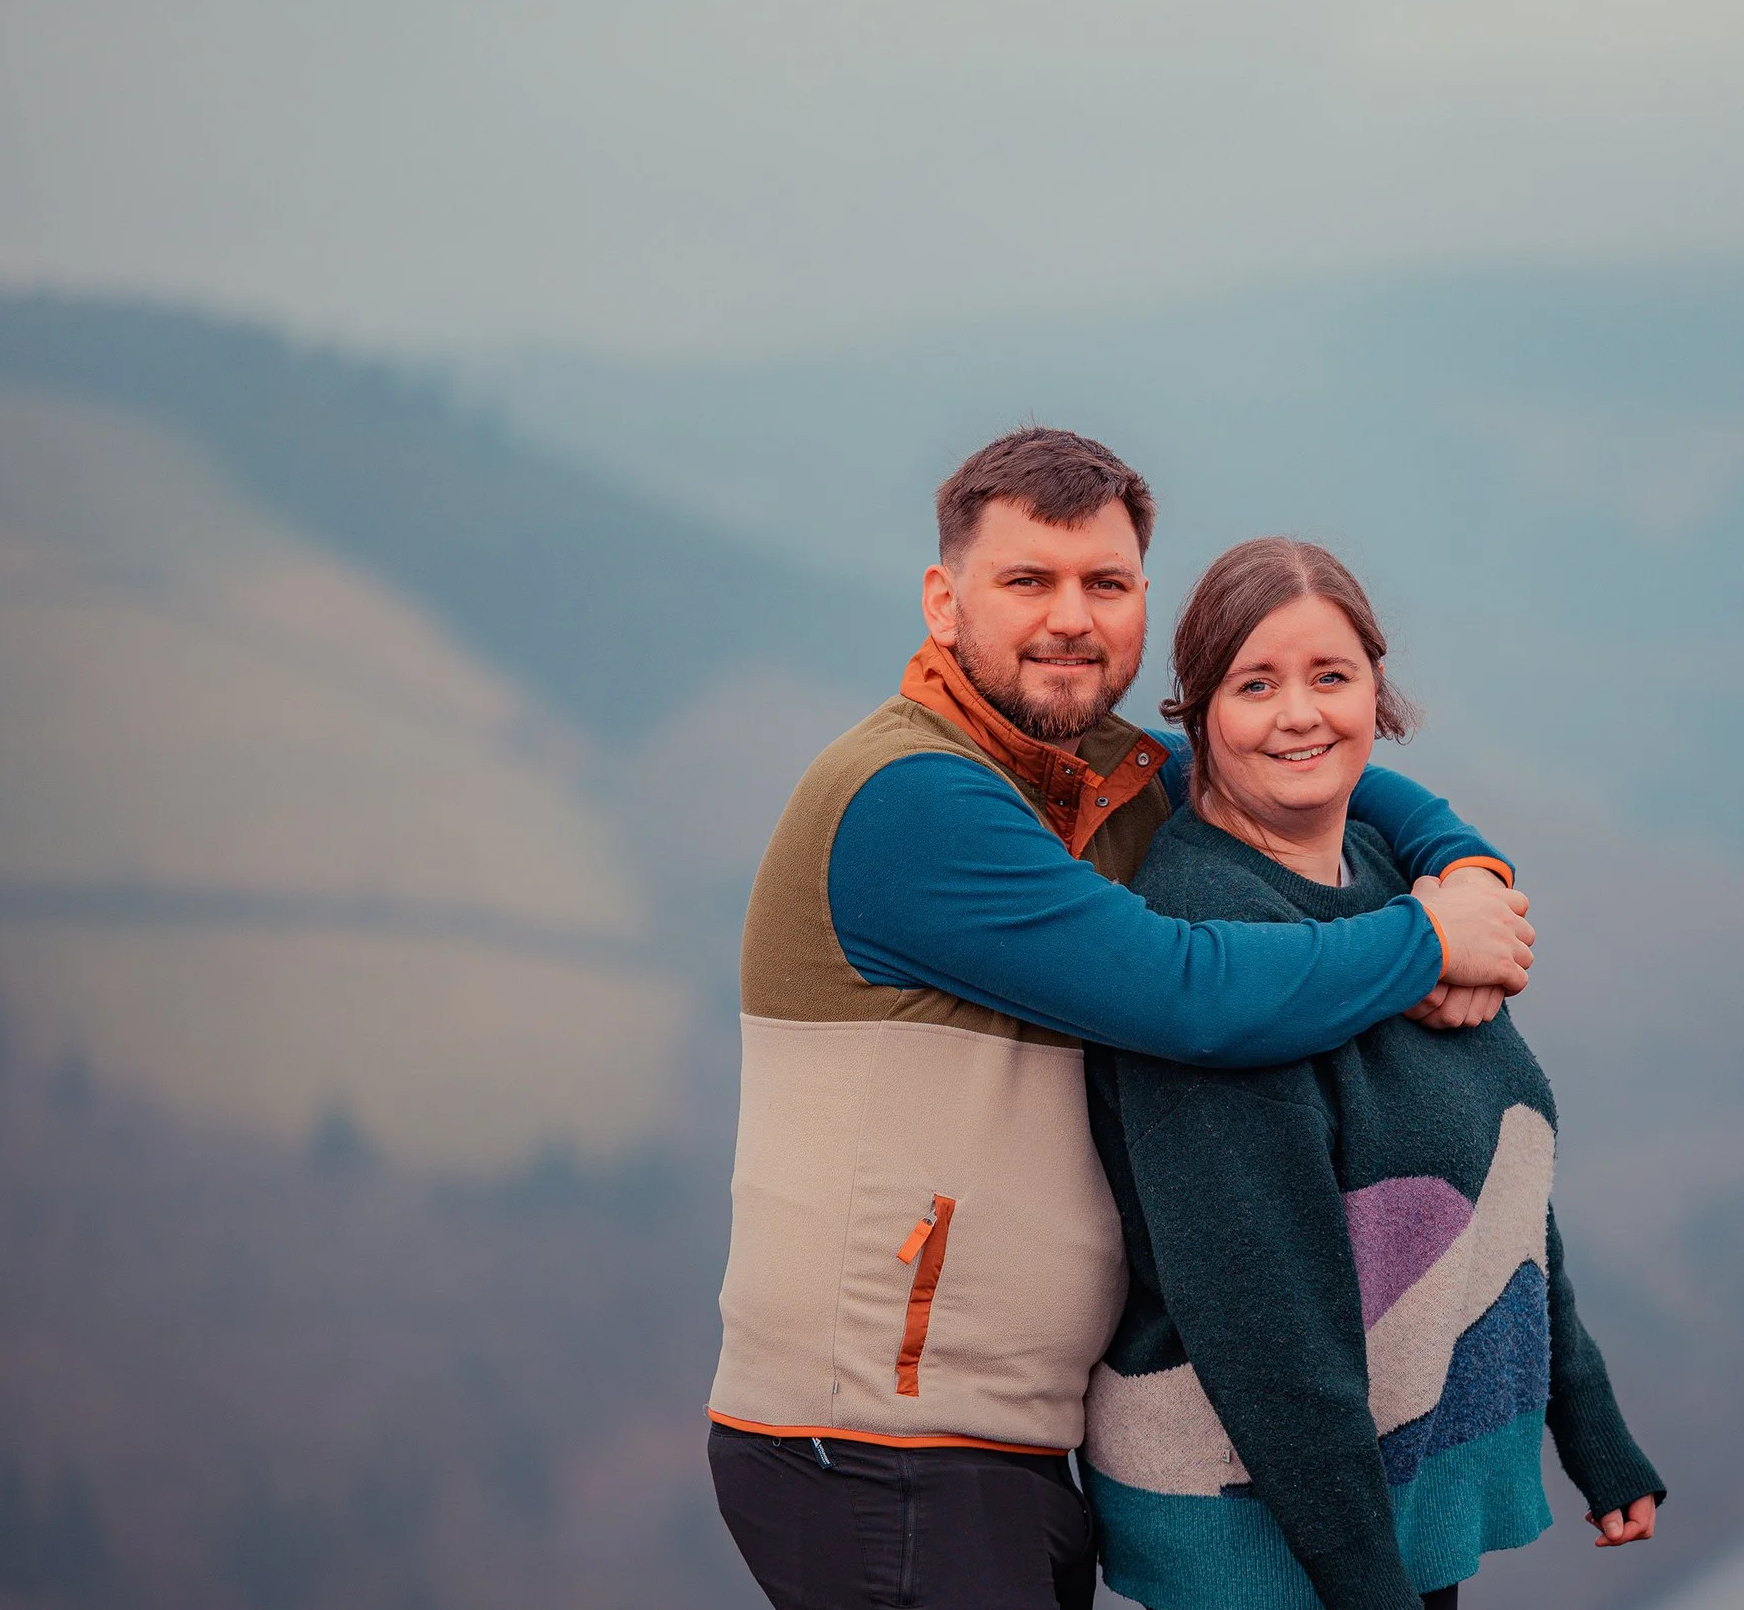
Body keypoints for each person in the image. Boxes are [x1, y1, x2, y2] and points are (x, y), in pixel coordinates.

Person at [704, 430, 1540, 1609]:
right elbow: (1187, 991)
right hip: (874, 1440)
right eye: (1027, 581)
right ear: (944, 602)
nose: (1070, 617)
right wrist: (1427, 941)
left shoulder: (1090, 771)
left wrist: (1467, 867)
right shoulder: (911, 798)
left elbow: (1301, 762)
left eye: (1104, 583)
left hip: (1010, 1439)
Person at [1081, 538, 1663, 1610]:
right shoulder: (1216, 949)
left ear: (1375, 691)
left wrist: (1589, 1420)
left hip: (1381, 1492)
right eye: (1256, 684)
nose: (1300, 714)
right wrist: (1364, 1586)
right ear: (1198, 711)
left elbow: (1499, 1171)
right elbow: (1267, 1327)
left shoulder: (1400, 887)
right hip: (1260, 1521)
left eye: (1330, 676)